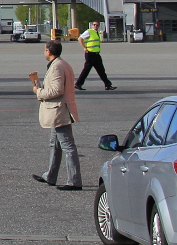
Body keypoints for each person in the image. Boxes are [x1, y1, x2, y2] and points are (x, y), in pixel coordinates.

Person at [29, 40, 82, 190]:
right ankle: (50, 176)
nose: (44, 52)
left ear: (49, 51)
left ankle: (74, 181)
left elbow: (57, 90)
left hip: (59, 111)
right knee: (55, 144)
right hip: (58, 110)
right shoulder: (62, 64)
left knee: (67, 145)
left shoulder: (57, 66)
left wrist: (38, 91)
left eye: (45, 50)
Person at [76, 20, 116, 91]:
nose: (95, 26)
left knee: (101, 70)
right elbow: (80, 39)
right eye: (94, 25)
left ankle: (108, 85)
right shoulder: (89, 31)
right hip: (90, 54)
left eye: (97, 25)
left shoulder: (97, 33)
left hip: (96, 54)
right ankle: (78, 84)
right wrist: (84, 48)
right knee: (86, 70)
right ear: (92, 25)